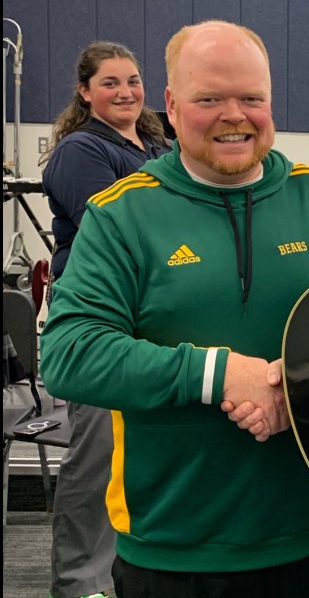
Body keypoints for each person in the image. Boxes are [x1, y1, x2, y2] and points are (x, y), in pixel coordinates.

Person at [40, 20, 309, 597]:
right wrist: (219, 372)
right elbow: (69, 356)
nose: (234, 115)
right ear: (170, 105)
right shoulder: (121, 215)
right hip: (167, 550)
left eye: (252, 98)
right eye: (209, 99)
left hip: (302, 538)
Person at [40, 40, 170, 598]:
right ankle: (76, 583)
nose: (125, 92)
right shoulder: (80, 152)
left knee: (139, 453)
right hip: (102, 314)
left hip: (152, 309)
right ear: (85, 91)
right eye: (111, 83)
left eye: (133, 81)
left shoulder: (157, 143)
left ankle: (122, 573)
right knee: (96, 456)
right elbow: (121, 226)